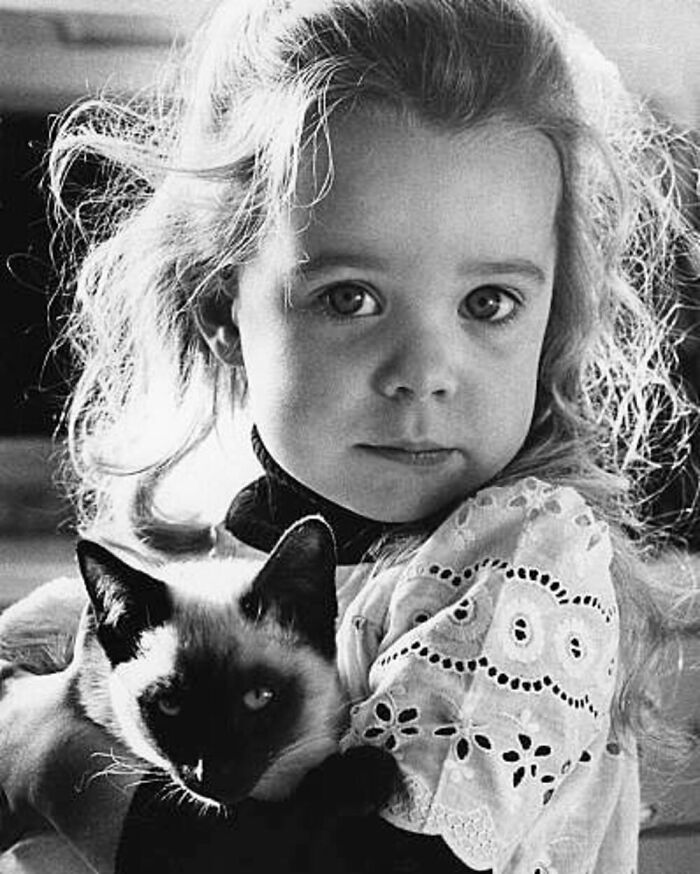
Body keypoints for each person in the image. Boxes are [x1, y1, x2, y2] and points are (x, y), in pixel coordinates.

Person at [1, 0, 698, 871]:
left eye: (489, 303)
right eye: (350, 297)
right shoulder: (230, 562)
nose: (424, 372)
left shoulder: (528, 561)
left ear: (552, 319)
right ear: (222, 309)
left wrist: (40, 755)